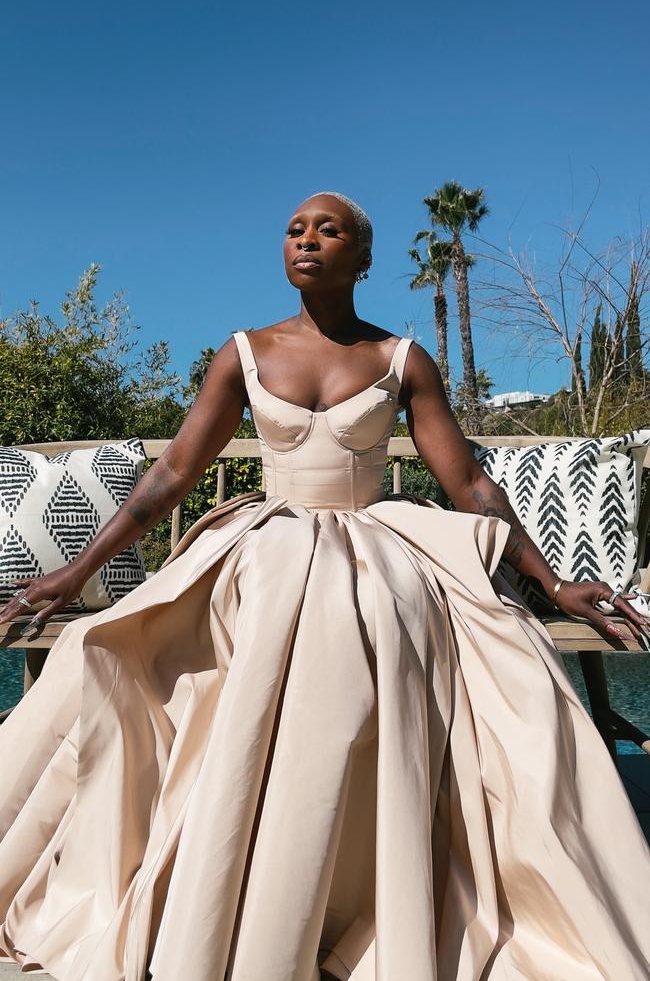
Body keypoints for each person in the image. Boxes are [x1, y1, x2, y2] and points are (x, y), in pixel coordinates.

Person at [0, 191, 649, 981]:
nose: (307, 239)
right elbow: (172, 473)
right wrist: (74, 576)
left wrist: (549, 581)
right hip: (267, 537)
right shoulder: (244, 351)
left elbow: (469, 481)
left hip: (375, 536)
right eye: (295, 229)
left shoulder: (401, 359)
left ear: (362, 259)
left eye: (329, 229)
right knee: (252, 601)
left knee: (380, 609)